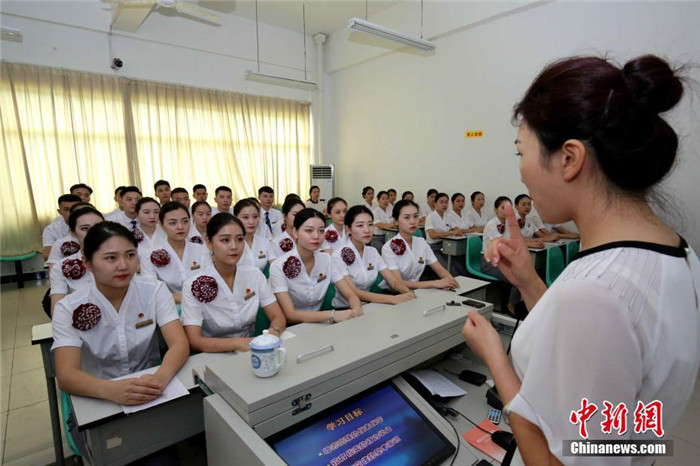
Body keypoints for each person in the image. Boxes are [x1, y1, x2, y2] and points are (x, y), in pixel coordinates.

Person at [462, 55, 700, 465]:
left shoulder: (595, 292)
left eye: (522, 152)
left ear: (569, 159)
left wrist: (495, 357)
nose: (520, 173)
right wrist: (530, 283)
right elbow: (589, 358)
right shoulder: (680, 254)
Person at [52, 221, 189, 453]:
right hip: (99, 397)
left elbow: (179, 343)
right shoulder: (69, 308)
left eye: (130, 255)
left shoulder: (153, 290)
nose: (123, 265)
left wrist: (160, 379)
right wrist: (112, 390)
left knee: (161, 454)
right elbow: (66, 375)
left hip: (150, 390)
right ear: (88, 263)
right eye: (110, 258)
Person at [181, 214, 286, 352]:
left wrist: (273, 333)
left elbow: (278, 316)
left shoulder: (254, 275)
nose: (234, 246)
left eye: (240, 239)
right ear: (209, 242)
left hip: (251, 348)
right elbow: (195, 341)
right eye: (225, 240)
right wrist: (237, 343)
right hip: (214, 353)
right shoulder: (192, 285)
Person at [270, 208, 362, 324]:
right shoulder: (278, 267)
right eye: (309, 231)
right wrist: (332, 314)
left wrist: (356, 309)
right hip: (292, 327)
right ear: (295, 232)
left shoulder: (326, 260)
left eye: (321, 231)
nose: (316, 236)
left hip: (320, 323)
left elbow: (350, 294)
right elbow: (290, 314)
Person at [333, 205, 415, 307]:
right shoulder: (337, 255)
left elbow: (393, 281)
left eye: (370, 224)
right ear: (348, 229)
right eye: (360, 225)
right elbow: (354, 292)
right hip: (346, 309)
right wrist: (393, 299)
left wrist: (409, 293)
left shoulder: (372, 252)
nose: (367, 230)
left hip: (370, 305)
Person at [140, 202, 213, 304]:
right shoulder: (150, 254)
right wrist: (179, 297)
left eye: (185, 221)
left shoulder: (201, 250)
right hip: (168, 306)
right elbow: (150, 290)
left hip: (202, 305)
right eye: (173, 223)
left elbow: (211, 281)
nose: (180, 227)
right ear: (161, 225)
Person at [382, 200, 459, 290]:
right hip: (396, 294)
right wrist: (435, 283)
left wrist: (450, 281)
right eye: (407, 217)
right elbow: (397, 283)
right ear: (396, 221)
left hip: (418, 291)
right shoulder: (389, 247)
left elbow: (440, 269)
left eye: (416, 216)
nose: (413, 221)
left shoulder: (421, 242)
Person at [49, 207, 104, 316]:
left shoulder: (122, 258)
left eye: (98, 227)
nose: (93, 233)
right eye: (85, 228)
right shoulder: (62, 266)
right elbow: (57, 310)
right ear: (73, 233)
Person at [425, 192, 467, 275]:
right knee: (451, 269)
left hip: (445, 246)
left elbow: (457, 230)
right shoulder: (430, 217)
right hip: (433, 248)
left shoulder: (447, 217)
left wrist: (458, 232)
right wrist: (451, 232)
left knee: (460, 267)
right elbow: (433, 235)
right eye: (441, 202)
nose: (444, 205)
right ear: (435, 203)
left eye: (446, 202)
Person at [234, 199, 272, 272]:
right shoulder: (230, 244)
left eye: (255, 217)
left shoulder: (265, 242)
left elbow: (275, 265)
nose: (251, 222)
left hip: (261, 282)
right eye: (245, 217)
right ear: (236, 218)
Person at [42, 194, 81, 260]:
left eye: (75, 209)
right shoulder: (51, 229)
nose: (71, 213)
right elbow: (47, 255)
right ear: (60, 212)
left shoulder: (91, 226)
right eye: (66, 209)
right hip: (61, 266)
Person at [268, 196, 305, 261]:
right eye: (295, 214)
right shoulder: (276, 242)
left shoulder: (309, 238)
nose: (299, 218)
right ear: (284, 216)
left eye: (302, 214)